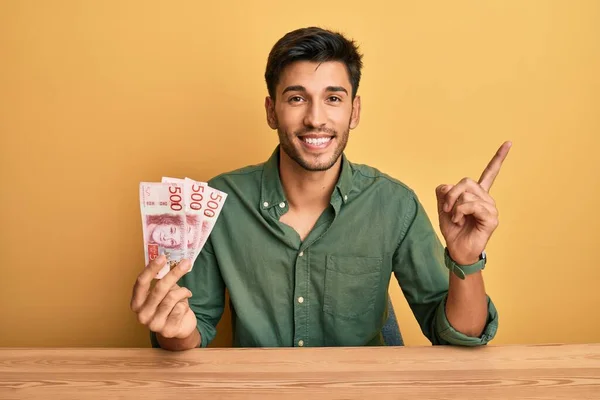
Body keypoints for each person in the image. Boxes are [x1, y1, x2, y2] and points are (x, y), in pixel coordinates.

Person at [130, 26, 510, 351]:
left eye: (333, 99)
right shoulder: (219, 203)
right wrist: (176, 333)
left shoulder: (394, 204)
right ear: (271, 110)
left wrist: (465, 261)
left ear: (354, 112)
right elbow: (193, 329)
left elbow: (460, 338)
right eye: (297, 98)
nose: (315, 119)